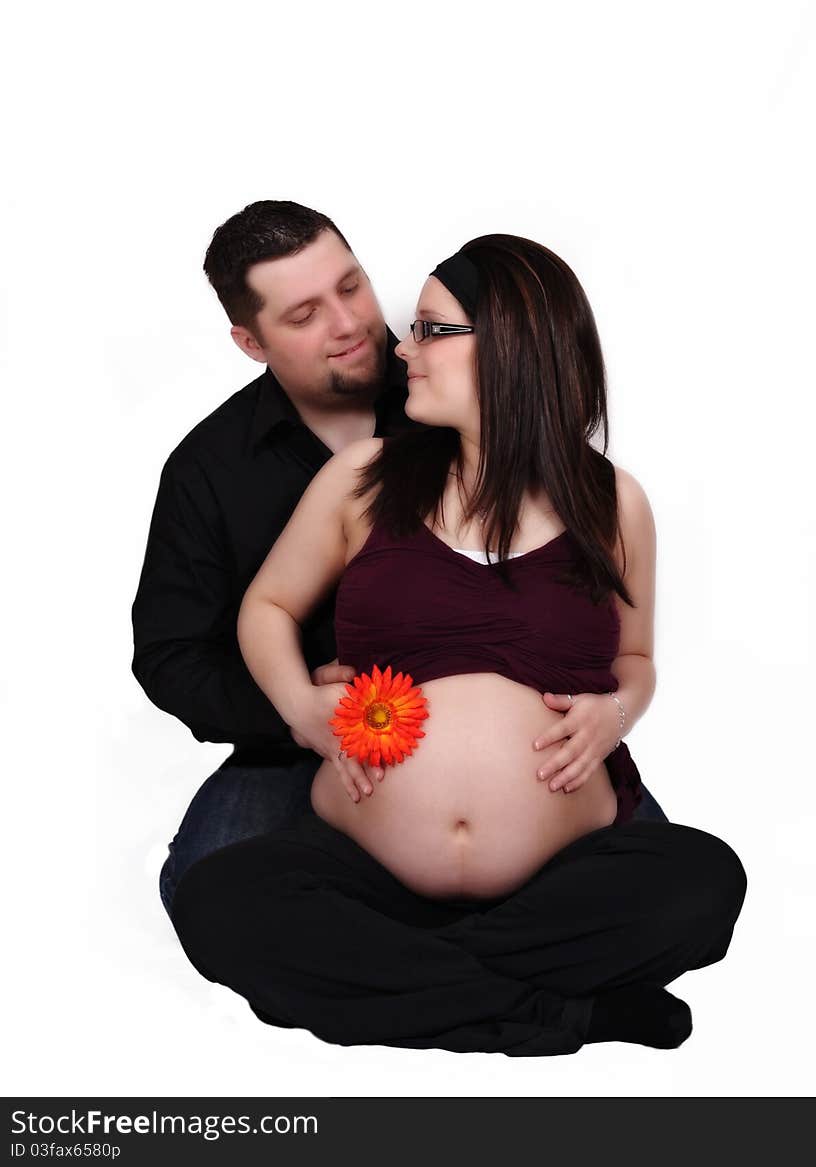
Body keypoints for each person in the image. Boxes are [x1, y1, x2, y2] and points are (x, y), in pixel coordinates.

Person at [170, 235, 746, 1055]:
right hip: (363, 864)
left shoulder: (614, 502)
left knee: (704, 883)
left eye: (431, 330)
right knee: (216, 901)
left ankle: (401, 985)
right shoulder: (366, 476)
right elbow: (265, 606)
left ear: (512, 343)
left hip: (559, 873)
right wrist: (302, 706)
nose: (401, 349)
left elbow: (636, 661)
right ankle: (554, 1012)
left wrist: (617, 713)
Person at [133, 201, 669, 916]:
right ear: (250, 340)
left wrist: (614, 710)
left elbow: (598, 626)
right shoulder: (210, 469)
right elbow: (173, 655)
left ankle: (427, 962)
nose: (352, 324)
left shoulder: (449, 398)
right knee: (205, 885)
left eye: (351, 287)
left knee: (677, 885)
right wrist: (301, 711)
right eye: (303, 316)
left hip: (522, 757)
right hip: (314, 747)